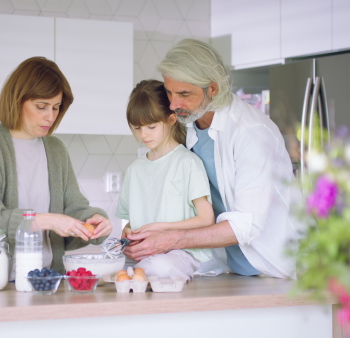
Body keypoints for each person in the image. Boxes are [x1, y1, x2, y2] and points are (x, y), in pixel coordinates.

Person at [124, 39, 305, 279]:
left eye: (184, 94)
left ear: (212, 89)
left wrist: (171, 240)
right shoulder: (189, 123)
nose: (173, 104)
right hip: (234, 269)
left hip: (276, 270)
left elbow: (245, 225)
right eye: (169, 92)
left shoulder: (250, 133)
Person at [0, 56, 112, 275]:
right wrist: (46, 221)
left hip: (48, 278)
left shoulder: (55, 149)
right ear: (17, 100)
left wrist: (94, 221)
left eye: (56, 108)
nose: (50, 116)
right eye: (41, 106)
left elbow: (74, 209)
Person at [116, 79, 227, 281]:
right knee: (114, 267)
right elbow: (131, 223)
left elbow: (206, 219)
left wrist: (160, 228)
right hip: (146, 254)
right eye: (137, 128)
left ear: (171, 119)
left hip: (181, 254)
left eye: (151, 126)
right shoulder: (135, 170)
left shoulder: (187, 163)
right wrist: (127, 236)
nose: (143, 135)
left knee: (158, 267)